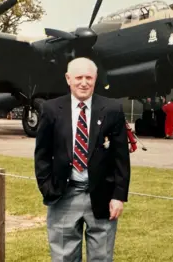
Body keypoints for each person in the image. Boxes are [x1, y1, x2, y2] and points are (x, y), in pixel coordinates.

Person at [34, 57, 131, 262]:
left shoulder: (112, 109)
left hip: (102, 196)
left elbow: (121, 157)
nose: (84, 82)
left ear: (95, 79)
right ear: (68, 79)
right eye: (79, 77)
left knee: (102, 257)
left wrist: (119, 196)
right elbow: (42, 154)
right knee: (63, 257)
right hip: (63, 195)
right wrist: (47, 187)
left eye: (89, 77)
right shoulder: (51, 110)